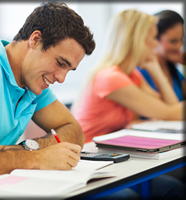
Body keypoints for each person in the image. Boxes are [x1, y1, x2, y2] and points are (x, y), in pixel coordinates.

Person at [0, 1, 95, 179]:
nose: (61, 78)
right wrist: (34, 159)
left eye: (69, 69)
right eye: (60, 63)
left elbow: (74, 132)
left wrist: (28, 148)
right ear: (35, 40)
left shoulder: (32, 83)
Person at [71, 9, 185, 200]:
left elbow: (173, 109)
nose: (156, 44)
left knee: (174, 188)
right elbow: (172, 112)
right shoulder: (111, 77)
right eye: (153, 38)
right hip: (88, 160)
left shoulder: (131, 74)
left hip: (114, 157)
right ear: (138, 40)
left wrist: (155, 69)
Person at [137, 10, 185, 102]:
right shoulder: (140, 72)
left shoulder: (176, 73)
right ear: (155, 38)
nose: (179, 46)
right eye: (173, 41)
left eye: (182, 39)